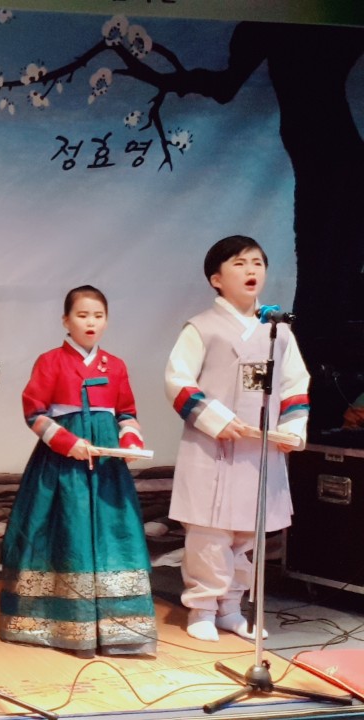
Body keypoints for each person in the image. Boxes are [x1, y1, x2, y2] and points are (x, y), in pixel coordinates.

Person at [0, 286, 157, 657]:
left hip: (106, 467)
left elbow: (127, 413)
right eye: (82, 315)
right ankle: (60, 625)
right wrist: (67, 441)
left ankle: (118, 631)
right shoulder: (50, 361)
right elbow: (34, 413)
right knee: (64, 531)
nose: (91, 322)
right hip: (61, 463)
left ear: (107, 321)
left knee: (112, 534)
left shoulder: (115, 365)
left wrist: (130, 440)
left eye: (98, 316)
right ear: (66, 320)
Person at [166, 235, 309, 642]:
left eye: (257, 263)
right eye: (240, 264)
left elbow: (294, 384)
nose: (251, 271)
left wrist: (292, 429)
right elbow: (177, 380)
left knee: (247, 533)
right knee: (210, 532)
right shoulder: (202, 327)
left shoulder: (278, 332)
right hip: (213, 445)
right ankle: (202, 608)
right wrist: (215, 419)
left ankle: (231, 607)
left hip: (258, 448)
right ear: (216, 279)